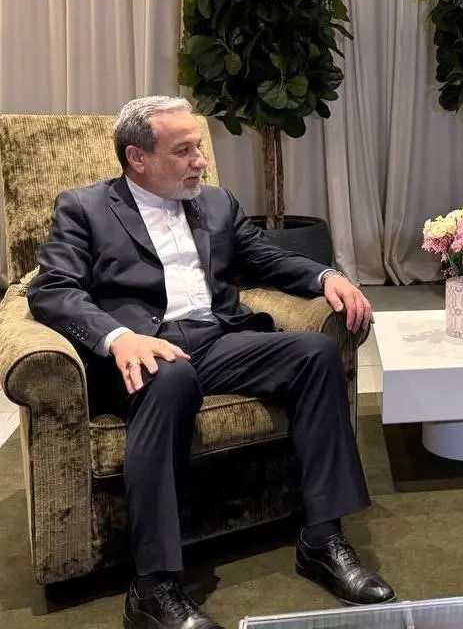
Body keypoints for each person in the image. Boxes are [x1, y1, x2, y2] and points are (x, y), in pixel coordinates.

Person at [27, 96, 395, 629]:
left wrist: (325, 276)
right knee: (170, 376)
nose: (201, 160)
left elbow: (263, 257)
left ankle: (322, 538)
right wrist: (119, 338)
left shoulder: (216, 203)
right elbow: (52, 289)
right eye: (184, 150)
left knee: (315, 354)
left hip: (216, 338)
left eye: (198, 146)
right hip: (143, 350)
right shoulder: (84, 208)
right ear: (137, 158)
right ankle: (153, 586)